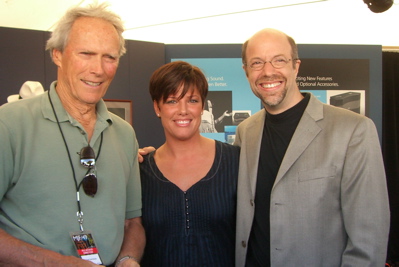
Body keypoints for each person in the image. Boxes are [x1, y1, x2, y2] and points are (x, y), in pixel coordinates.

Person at [0, 3, 144, 266]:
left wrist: (128, 258)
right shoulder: (8, 124)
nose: (98, 69)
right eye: (86, 53)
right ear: (57, 54)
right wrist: (53, 262)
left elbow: (132, 223)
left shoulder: (124, 134)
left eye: (109, 57)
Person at [235, 28, 390, 266]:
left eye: (279, 60)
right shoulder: (245, 132)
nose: (268, 71)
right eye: (257, 63)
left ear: (296, 66)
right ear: (246, 71)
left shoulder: (353, 130)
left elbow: (369, 239)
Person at [139, 61, 239, 266]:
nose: (183, 110)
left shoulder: (235, 161)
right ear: (157, 107)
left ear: (203, 106)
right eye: (172, 101)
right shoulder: (140, 170)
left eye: (192, 100)